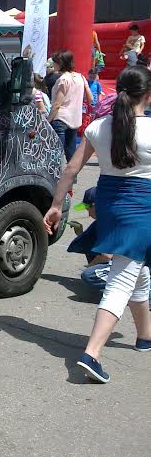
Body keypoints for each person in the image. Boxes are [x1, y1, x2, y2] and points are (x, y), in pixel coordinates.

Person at [44, 65, 151, 383]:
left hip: (110, 205)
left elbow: (70, 169)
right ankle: (92, 354)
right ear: (147, 95)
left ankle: (145, 336)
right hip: (141, 208)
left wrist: (55, 206)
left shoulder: (99, 127)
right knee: (123, 277)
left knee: (137, 271)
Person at [48, 50, 93, 162]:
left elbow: (57, 104)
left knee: (55, 154)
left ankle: (56, 173)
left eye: (55, 62)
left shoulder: (63, 79)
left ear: (60, 63)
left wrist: (48, 120)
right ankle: (72, 173)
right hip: (75, 119)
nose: (53, 65)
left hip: (60, 118)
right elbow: (91, 98)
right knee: (71, 153)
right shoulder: (80, 77)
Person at [68, 187, 112, 297]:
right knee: (89, 241)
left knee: (89, 275)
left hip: (133, 266)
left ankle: (136, 294)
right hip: (128, 262)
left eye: (88, 208)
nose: (88, 213)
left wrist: (89, 267)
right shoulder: (106, 219)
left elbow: (107, 255)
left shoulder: (108, 223)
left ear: (96, 205)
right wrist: (81, 234)